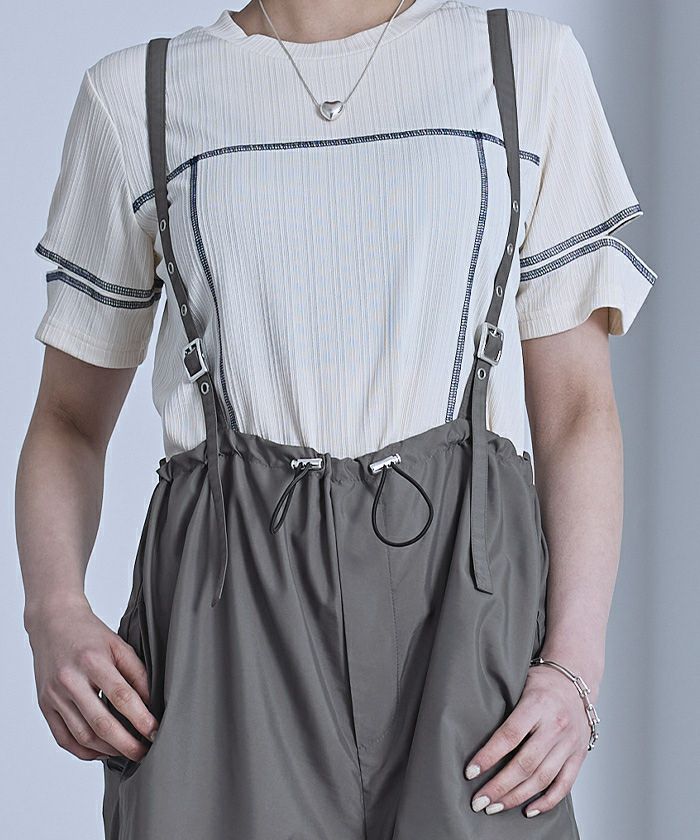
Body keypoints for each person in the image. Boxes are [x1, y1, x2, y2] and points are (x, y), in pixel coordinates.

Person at [16, 2, 656, 838]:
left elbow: (576, 408)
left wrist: (574, 664)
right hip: (227, 620)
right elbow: (68, 418)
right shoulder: (138, 97)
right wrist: (52, 609)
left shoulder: (521, 67)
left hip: (467, 605)